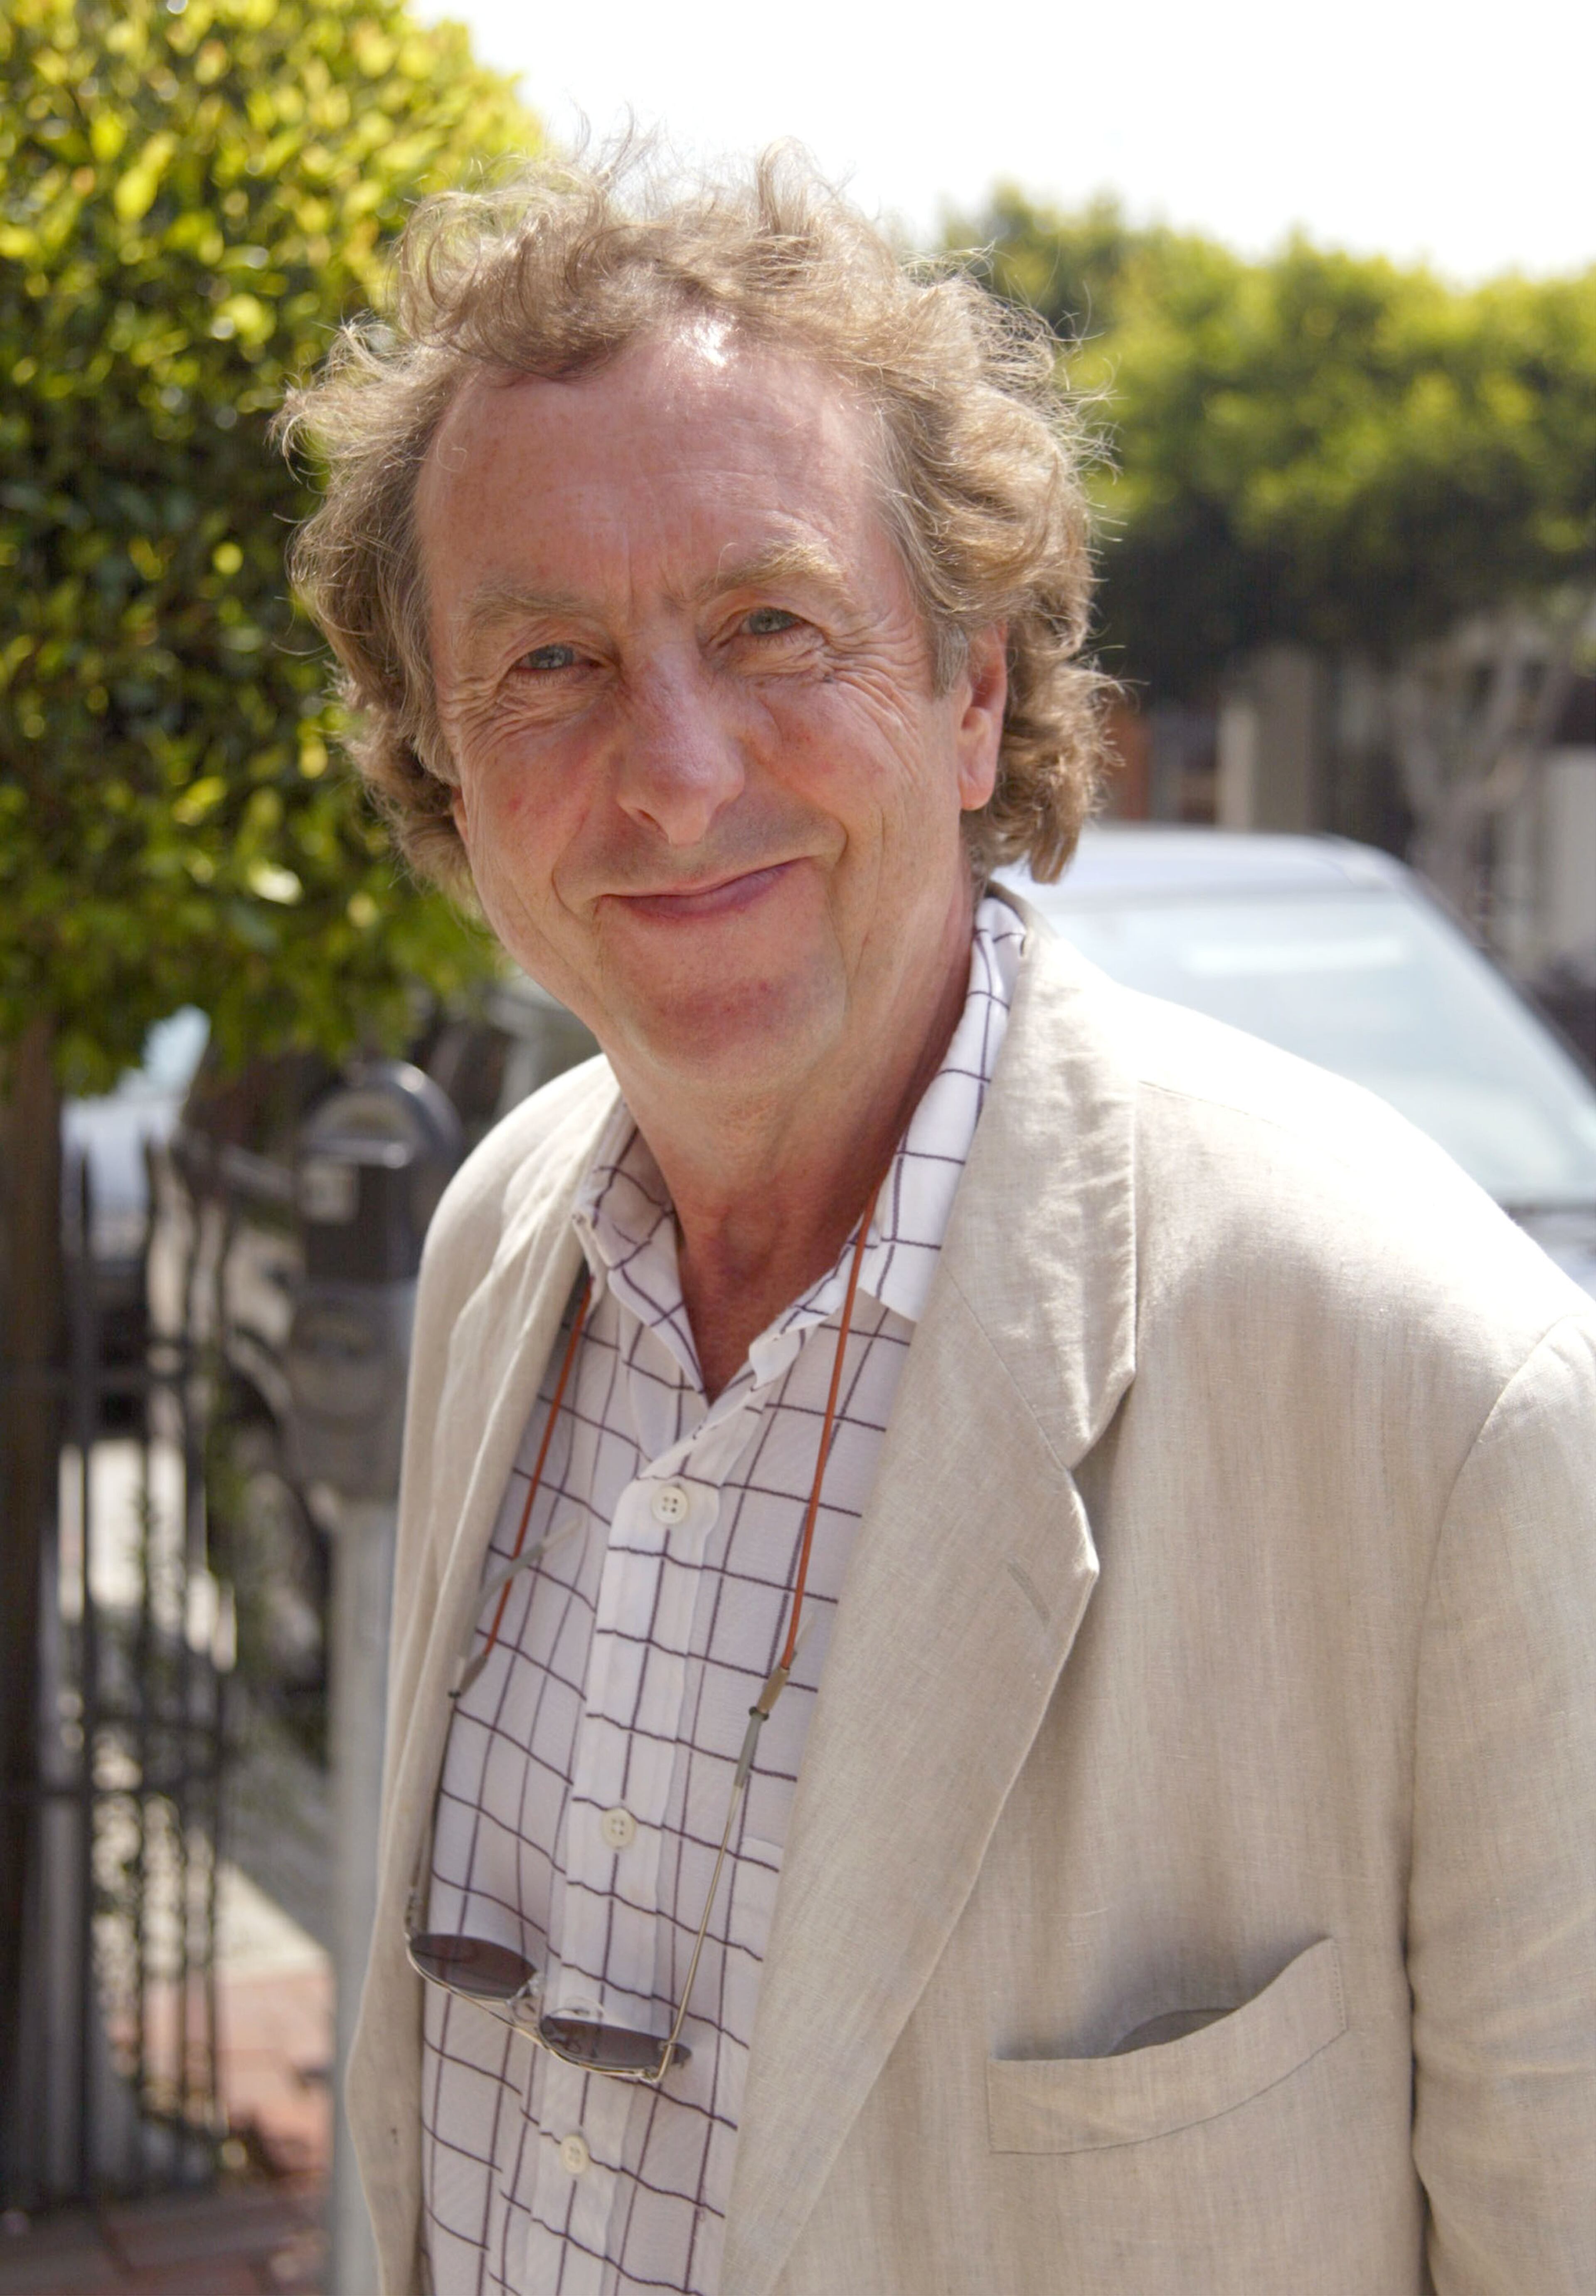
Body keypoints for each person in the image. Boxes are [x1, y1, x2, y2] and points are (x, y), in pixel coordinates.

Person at [281, 152, 1596, 2296]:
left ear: (976, 695)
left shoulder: (1442, 1397)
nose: (677, 773)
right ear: (441, 767)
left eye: (774, 626)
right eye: (547, 662)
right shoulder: (494, 1242)